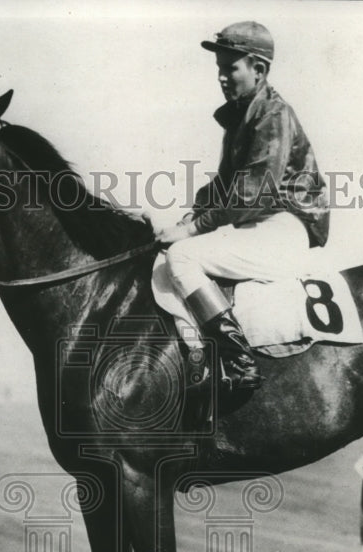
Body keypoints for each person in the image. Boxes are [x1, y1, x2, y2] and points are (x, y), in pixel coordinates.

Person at [153, 20, 330, 391]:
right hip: (263, 226)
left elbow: (252, 194)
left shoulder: (272, 115)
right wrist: (194, 214)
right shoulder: (242, 116)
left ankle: (239, 363)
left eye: (230, 67)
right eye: (219, 68)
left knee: (183, 256)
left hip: (285, 228)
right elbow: (223, 187)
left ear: (259, 69)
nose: (221, 77)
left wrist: (189, 229)